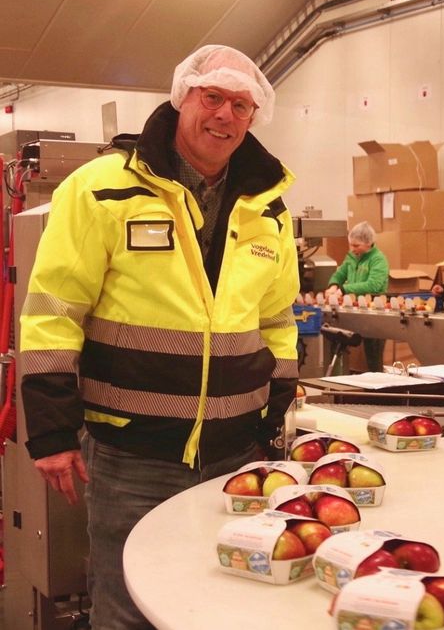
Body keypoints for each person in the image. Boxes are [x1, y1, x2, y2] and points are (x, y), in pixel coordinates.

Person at [19, 45, 299, 629]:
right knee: (128, 610)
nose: (225, 115)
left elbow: (276, 321)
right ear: (182, 97)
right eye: (212, 97)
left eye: (241, 105)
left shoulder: (268, 210)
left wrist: (275, 413)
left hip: (234, 456)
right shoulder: (102, 189)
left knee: (216, 607)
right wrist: (50, 430)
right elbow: (53, 311)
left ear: (254, 117)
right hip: (132, 456)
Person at [325, 221, 389, 371]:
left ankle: (378, 387)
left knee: (373, 355)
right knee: (337, 345)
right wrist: (333, 285)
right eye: (351, 245)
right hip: (353, 308)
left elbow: (373, 285)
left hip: (374, 312)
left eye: (356, 246)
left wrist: (343, 289)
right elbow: (340, 274)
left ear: (369, 243)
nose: (352, 249)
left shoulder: (378, 260)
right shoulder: (352, 257)